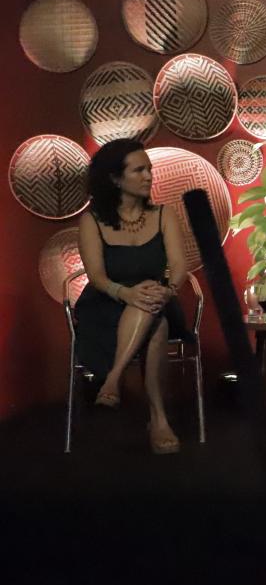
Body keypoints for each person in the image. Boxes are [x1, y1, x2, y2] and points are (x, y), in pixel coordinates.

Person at [75, 139, 190, 454]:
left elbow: (179, 264)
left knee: (153, 308)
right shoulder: (92, 221)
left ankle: (112, 381)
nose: (149, 176)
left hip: (157, 296)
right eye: (139, 170)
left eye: (149, 169)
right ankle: (158, 420)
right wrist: (125, 292)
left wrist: (168, 290)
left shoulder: (163, 213)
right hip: (107, 303)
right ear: (115, 178)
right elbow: (96, 276)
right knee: (154, 320)